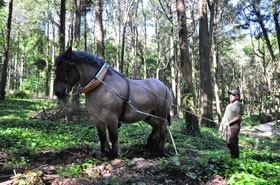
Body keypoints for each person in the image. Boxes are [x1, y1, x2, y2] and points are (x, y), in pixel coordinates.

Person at [219, 88, 244, 158]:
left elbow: (239, 116)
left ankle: (235, 158)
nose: (231, 96)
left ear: (237, 97)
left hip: (234, 126)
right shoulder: (228, 106)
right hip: (227, 127)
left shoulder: (239, 105)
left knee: (233, 142)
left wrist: (229, 123)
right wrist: (221, 125)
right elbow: (225, 116)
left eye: (233, 95)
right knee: (228, 142)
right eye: (230, 94)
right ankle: (232, 156)